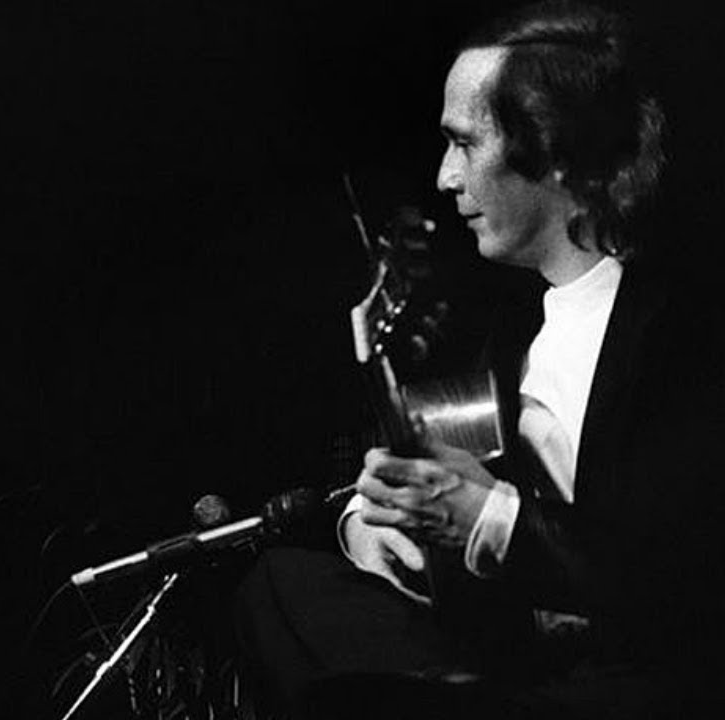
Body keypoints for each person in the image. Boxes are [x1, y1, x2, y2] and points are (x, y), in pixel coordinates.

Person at [235, 2, 725, 718]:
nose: (443, 178)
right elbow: (449, 491)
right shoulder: (510, 331)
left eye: (464, 144)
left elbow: (683, 578)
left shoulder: (689, 325)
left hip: (646, 683)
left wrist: (491, 523)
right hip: (517, 668)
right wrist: (375, 528)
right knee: (278, 585)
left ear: (554, 152)